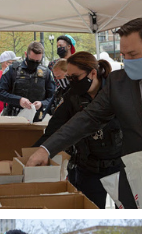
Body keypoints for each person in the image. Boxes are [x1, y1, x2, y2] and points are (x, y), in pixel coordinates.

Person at [27, 18, 142, 209]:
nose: (128, 61)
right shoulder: (118, 83)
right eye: (124, 55)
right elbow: (88, 118)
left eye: (133, 54)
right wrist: (46, 149)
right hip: (134, 179)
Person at [32, 52, 124, 208]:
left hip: (120, 166)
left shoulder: (116, 91)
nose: (71, 82)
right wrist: (34, 153)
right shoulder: (72, 97)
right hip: (88, 168)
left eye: (75, 77)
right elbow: (54, 129)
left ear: (93, 73)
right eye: (68, 78)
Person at [0, 41, 55, 121]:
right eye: (31, 60)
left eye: (38, 61)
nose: (34, 63)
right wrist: (19, 100)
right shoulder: (13, 70)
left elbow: (53, 97)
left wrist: (42, 104)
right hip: (14, 117)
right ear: (26, 54)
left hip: (37, 119)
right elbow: (0, 93)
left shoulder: (46, 73)